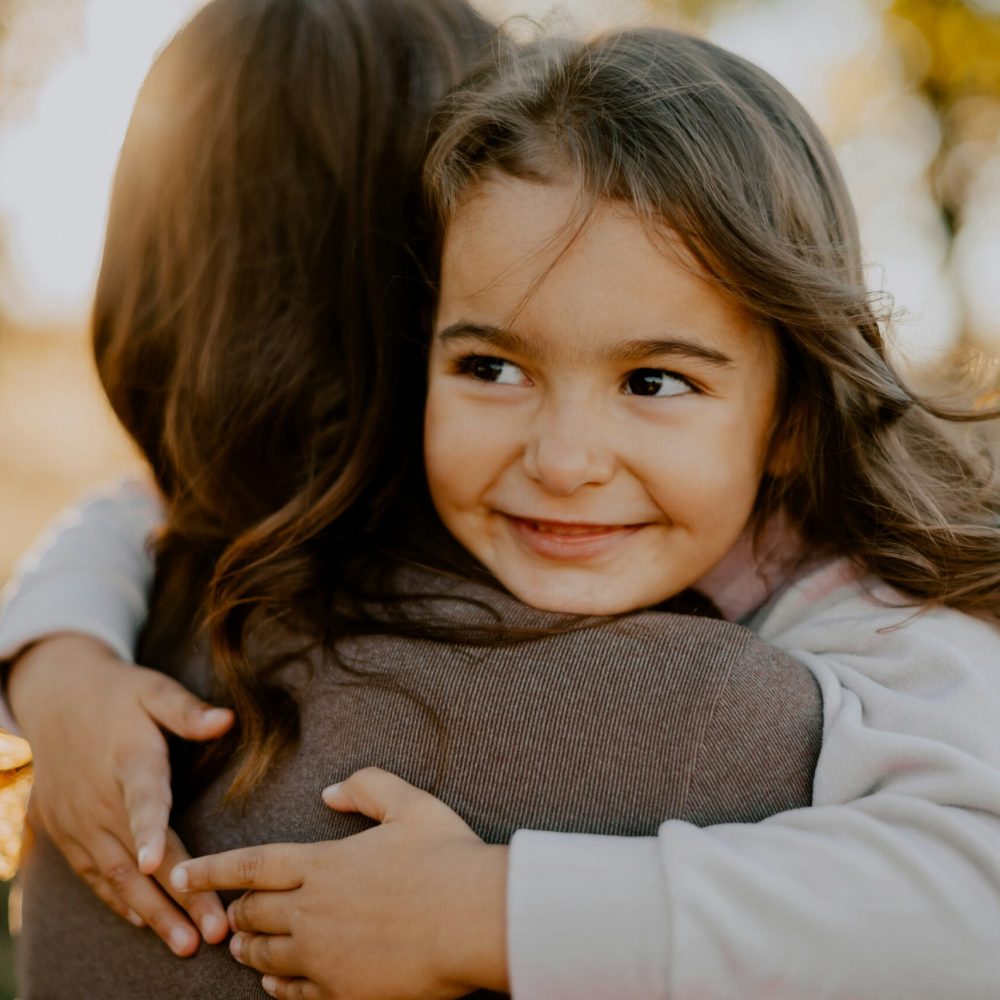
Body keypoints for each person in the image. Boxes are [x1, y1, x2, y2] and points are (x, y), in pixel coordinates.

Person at [3, 5, 828, 999]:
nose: (567, 458)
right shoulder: (726, 721)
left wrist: (50, 658)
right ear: (424, 281)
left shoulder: (96, 721)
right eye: (496, 363)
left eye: (650, 381)